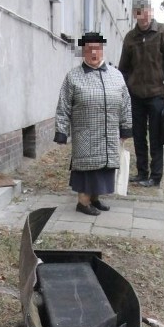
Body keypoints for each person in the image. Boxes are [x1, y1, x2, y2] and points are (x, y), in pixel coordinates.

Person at [54, 32, 133, 216]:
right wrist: (61, 131)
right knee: (88, 170)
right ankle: (83, 202)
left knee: (103, 167)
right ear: (83, 52)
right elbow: (63, 105)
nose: (94, 53)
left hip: (109, 132)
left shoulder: (116, 75)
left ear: (102, 49)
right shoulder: (73, 77)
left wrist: (126, 127)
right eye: (89, 49)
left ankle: (95, 199)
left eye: (97, 48)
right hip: (85, 134)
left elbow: (126, 103)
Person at [118, 0, 164, 188]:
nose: (145, 16)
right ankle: (142, 172)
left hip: (157, 94)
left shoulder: (162, 31)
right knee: (139, 135)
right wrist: (124, 93)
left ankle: (155, 176)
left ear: (151, 11)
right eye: (140, 12)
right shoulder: (130, 38)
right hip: (135, 96)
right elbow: (123, 69)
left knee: (156, 136)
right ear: (135, 13)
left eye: (148, 11)